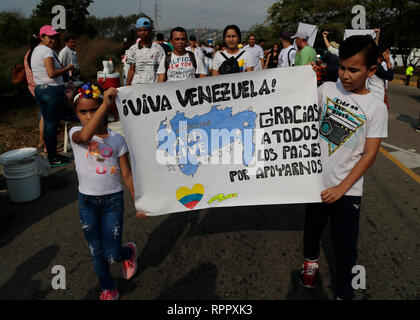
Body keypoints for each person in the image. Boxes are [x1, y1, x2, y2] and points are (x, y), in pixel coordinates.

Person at [301, 35, 388, 300]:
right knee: (312, 229)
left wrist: (341, 188)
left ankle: (343, 292)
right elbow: (299, 117)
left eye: (354, 70)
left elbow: (369, 155)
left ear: (371, 70)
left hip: (347, 190)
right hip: (316, 181)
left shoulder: (376, 108)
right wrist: (303, 80)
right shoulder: (326, 89)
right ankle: (310, 263)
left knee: (346, 245)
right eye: (342, 68)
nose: (345, 75)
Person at [70, 83, 141, 300]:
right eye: (83, 111)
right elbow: (84, 137)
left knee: (112, 254)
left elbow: (127, 175)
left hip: (112, 203)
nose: (88, 115)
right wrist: (103, 106)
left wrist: (138, 201)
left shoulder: (117, 140)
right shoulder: (75, 133)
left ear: (104, 108)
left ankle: (128, 252)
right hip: (87, 204)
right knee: (96, 252)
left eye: (94, 109)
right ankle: (108, 288)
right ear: (76, 113)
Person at [31, 25, 74, 167]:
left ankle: (51, 154)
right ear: (42, 37)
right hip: (51, 90)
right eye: (50, 37)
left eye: (55, 37)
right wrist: (67, 68)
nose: (54, 40)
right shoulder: (47, 51)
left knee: (49, 123)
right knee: (51, 124)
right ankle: (53, 156)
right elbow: (51, 73)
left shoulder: (36, 50)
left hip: (40, 89)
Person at [126, 17, 166, 85]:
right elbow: (131, 70)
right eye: (140, 30)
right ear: (137, 32)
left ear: (150, 31)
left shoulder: (158, 49)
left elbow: (161, 70)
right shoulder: (133, 49)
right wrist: (127, 85)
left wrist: (160, 87)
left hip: (153, 86)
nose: (143, 33)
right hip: (137, 86)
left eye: (145, 30)